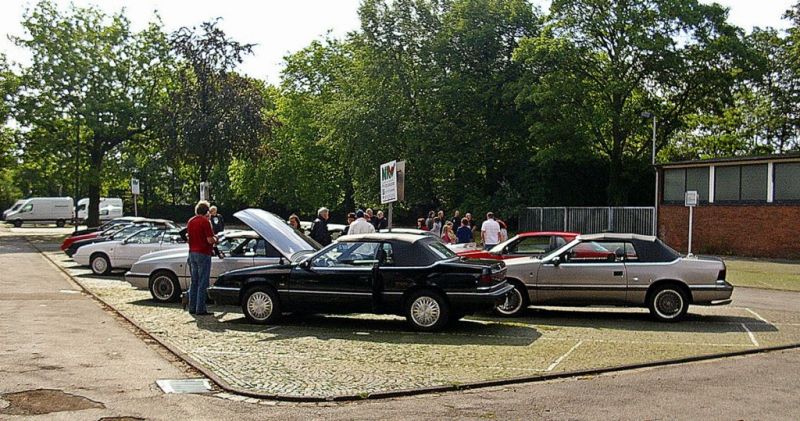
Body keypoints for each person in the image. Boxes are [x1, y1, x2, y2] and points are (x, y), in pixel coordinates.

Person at [186, 200, 217, 316]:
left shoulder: (190, 221)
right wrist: (216, 239)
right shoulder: (205, 222)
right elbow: (209, 240)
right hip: (203, 253)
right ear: (207, 211)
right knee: (203, 281)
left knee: (194, 281)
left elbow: (188, 238)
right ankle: (201, 308)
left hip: (192, 253)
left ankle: (192, 307)